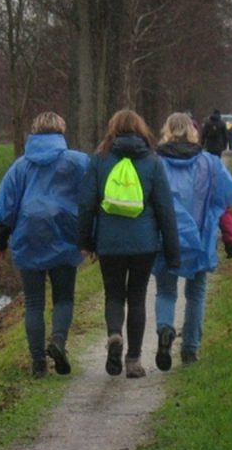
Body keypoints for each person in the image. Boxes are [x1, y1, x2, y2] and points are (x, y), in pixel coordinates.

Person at [77, 109, 180, 378]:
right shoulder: (153, 162)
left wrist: (86, 240)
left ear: (113, 129)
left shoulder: (99, 159)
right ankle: (133, 360)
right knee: (136, 297)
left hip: (109, 242)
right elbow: (165, 210)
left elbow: (86, 204)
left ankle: (115, 335)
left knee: (113, 295)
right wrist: (172, 251)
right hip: (144, 243)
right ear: (140, 129)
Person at [0, 112, 89, 378]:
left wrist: (0, 241)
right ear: (61, 131)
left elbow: (6, 206)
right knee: (64, 297)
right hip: (64, 235)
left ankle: (37, 363)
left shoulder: (20, 167)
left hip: (28, 236)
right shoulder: (78, 163)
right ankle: (58, 341)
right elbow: (90, 199)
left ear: (34, 132)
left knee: (34, 303)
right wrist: (91, 237)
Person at [152, 112, 232, 370]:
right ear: (193, 131)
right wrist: (231, 236)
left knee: (166, 291)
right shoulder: (210, 163)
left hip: (165, 239)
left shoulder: (156, 162)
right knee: (196, 293)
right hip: (200, 238)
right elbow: (224, 202)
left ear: (167, 130)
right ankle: (190, 349)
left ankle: (165, 328)